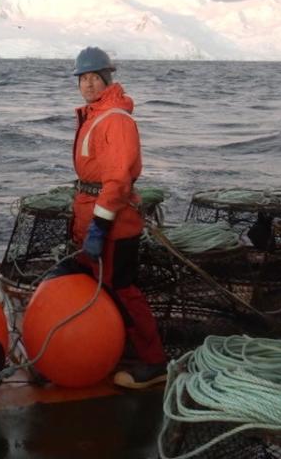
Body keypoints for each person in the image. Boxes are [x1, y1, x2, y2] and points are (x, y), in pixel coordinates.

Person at [70, 46, 168, 389]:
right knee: (103, 288)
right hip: (91, 216)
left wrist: (100, 225)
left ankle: (154, 362)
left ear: (108, 79)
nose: (89, 84)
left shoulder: (115, 119)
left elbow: (117, 180)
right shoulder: (96, 115)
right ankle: (114, 346)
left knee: (124, 291)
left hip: (114, 224)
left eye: (95, 77)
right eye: (84, 78)